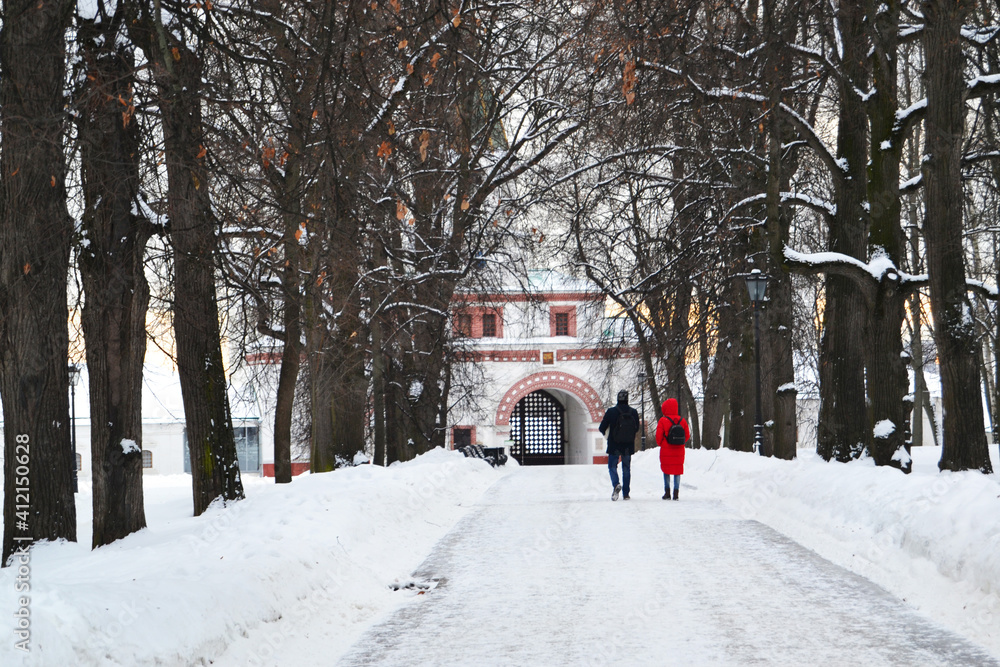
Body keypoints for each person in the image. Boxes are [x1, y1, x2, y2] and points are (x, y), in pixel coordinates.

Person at [599, 389, 640, 501]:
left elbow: (601, 427)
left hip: (614, 444)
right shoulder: (633, 412)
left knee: (612, 466)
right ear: (627, 399)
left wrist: (608, 435)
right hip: (628, 445)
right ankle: (626, 494)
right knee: (626, 468)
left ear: (618, 399)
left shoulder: (611, 411)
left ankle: (616, 484)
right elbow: (636, 428)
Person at [656, 398, 689, 500]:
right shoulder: (682, 421)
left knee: (666, 470)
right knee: (677, 471)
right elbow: (687, 436)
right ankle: (676, 493)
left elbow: (658, 437)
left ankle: (667, 492)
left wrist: (663, 443)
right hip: (679, 450)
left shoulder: (663, 421)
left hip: (666, 449)